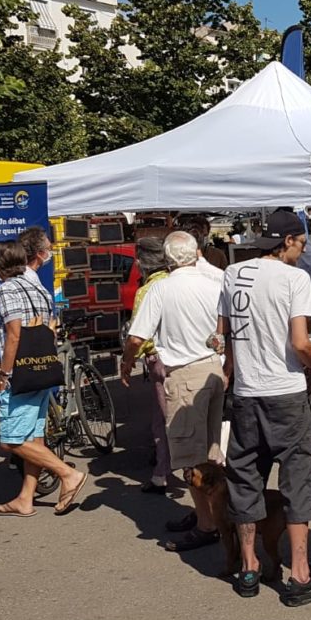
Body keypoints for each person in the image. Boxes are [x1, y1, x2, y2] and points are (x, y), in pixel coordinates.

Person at [219, 210, 311, 604]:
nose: (303, 252)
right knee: (298, 478)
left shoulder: (233, 273)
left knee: (245, 476)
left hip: (246, 391)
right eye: (302, 244)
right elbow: (301, 342)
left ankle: (249, 566)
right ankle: (300, 574)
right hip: (285, 391)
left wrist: (234, 373)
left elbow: (227, 336)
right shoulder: (294, 278)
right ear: (287, 240)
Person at [121, 231, 226, 551]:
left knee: (189, 456)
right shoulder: (216, 283)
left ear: (168, 259)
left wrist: (126, 361)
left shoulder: (161, 289)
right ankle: (213, 514)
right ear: (196, 255)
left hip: (184, 373)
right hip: (213, 368)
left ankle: (209, 524)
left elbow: (138, 338)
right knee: (210, 450)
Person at [0, 239, 88, 516]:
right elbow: (49, 327)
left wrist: (4, 373)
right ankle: (25, 499)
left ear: (0, 264)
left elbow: (14, 333)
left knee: (12, 440)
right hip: (41, 367)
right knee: (34, 437)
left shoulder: (6, 289)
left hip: (20, 372)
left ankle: (68, 474)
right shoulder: (38, 288)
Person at [131, 238, 173, 494]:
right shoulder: (177, 282)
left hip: (161, 359)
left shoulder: (146, 291)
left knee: (163, 420)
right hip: (192, 357)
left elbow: (139, 333)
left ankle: (162, 473)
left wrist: (132, 358)